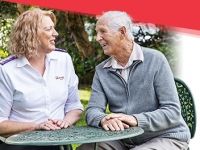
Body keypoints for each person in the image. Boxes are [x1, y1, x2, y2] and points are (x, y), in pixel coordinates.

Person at [77, 11, 190, 150]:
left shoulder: (156, 60)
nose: (97, 38)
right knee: (86, 148)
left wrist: (136, 119)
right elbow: (92, 110)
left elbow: (172, 112)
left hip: (165, 137)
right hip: (123, 139)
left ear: (122, 32)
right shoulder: (102, 71)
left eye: (103, 32)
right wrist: (102, 119)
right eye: (97, 32)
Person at [0, 8, 83, 150]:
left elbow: (74, 106)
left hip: (56, 141)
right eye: (49, 29)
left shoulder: (63, 59)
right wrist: (36, 126)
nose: (55, 34)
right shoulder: (6, 70)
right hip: (19, 144)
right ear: (30, 35)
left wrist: (65, 122)